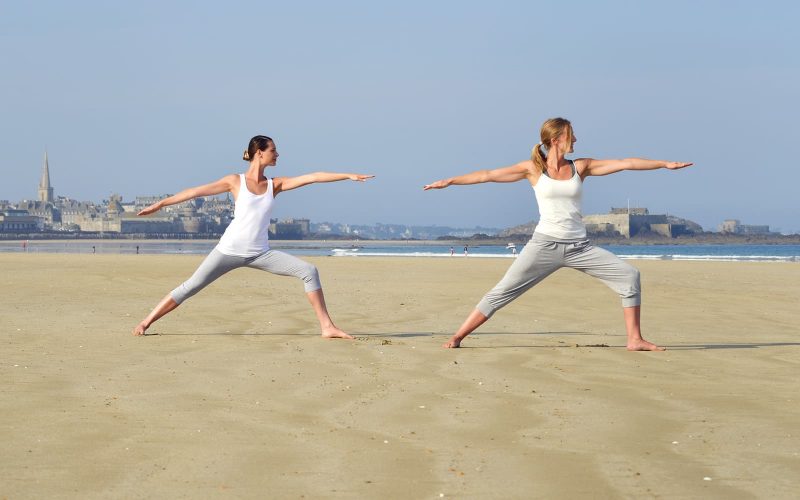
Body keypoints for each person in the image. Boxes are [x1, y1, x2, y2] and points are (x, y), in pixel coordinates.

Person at [423, 117, 691, 350]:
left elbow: (625, 163)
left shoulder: (581, 167)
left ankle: (635, 339)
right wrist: (449, 181)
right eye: (571, 134)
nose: (576, 139)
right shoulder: (533, 169)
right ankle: (458, 336)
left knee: (629, 276)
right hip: (544, 246)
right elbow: (487, 175)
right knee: (502, 291)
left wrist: (663, 164)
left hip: (579, 247)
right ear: (556, 139)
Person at [132, 135, 373, 338]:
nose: (277, 154)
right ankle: (146, 321)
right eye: (274, 150)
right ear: (259, 153)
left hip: (260, 253)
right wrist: (161, 204)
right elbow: (194, 192)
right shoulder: (234, 181)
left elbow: (312, 177)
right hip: (228, 251)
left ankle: (327, 327)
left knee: (309, 271)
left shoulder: (274, 185)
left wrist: (348, 175)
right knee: (191, 286)